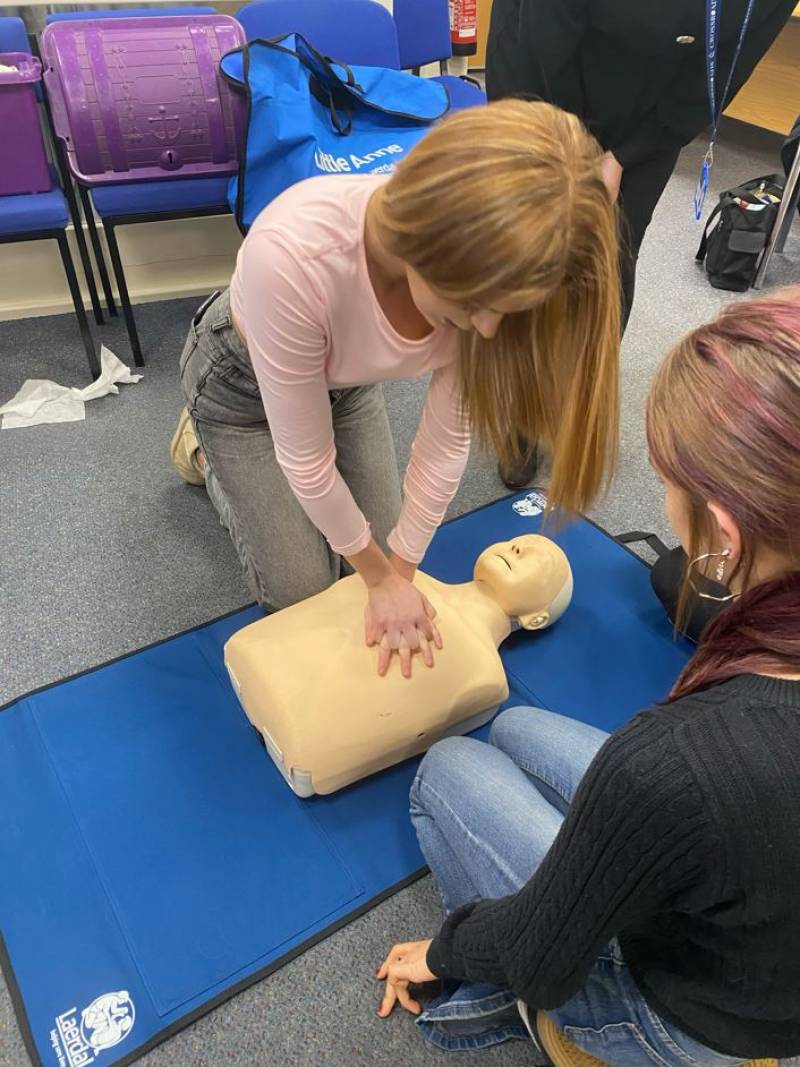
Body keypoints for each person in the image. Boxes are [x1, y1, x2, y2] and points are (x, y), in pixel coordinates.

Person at [375, 291, 800, 1064]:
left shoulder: (671, 757)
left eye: (668, 481)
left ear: (725, 531)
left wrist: (444, 951)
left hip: (699, 1023)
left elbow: (543, 950)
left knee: (449, 765)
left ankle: (564, 1034)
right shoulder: (687, 748)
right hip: (759, 922)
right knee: (513, 728)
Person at [173, 100, 620, 678]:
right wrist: (378, 577)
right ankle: (204, 451)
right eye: (474, 307)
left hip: (350, 382)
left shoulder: (487, 284)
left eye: (503, 312)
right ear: (429, 246)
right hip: (240, 389)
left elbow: (444, 444)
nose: (487, 329)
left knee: (374, 555)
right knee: (304, 592)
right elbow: (308, 463)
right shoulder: (291, 255)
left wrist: (398, 570)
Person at [487, 0, 796, 489]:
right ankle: (524, 410)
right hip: (539, 87)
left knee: (611, 261)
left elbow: (719, 74)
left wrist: (625, 156)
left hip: (649, 110)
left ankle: (575, 403)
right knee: (536, 254)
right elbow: (535, 45)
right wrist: (568, 154)